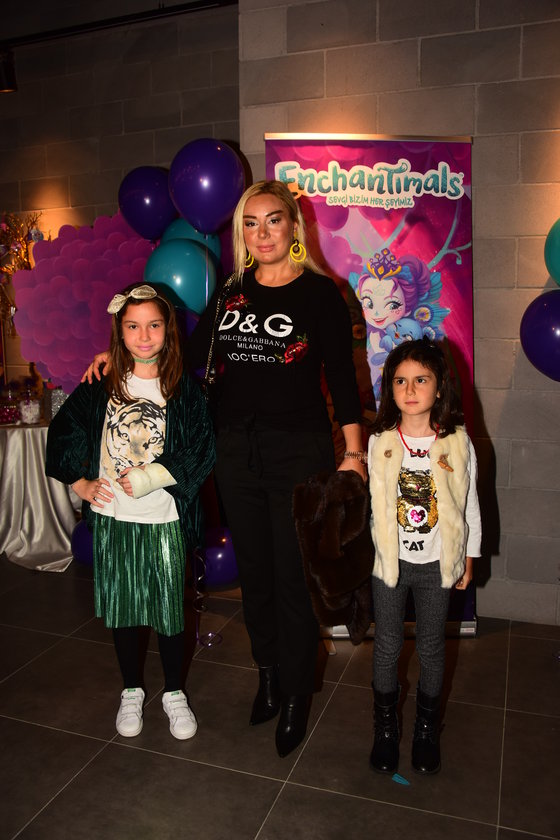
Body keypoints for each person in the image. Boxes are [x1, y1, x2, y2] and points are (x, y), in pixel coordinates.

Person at [85, 180, 367, 758]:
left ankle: (296, 692)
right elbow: (187, 357)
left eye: (273, 220)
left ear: (294, 227)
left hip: (298, 451)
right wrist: (122, 356)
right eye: (250, 223)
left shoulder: (321, 294)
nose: (262, 233)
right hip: (234, 450)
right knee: (256, 573)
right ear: (241, 232)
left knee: (292, 578)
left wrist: (354, 454)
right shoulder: (231, 293)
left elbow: (342, 377)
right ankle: (268, 673)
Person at [47, 283, 215, 741]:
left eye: (153, 325)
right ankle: (132, 689)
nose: (143, 336)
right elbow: (63, 432)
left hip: (165, 520)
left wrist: (149, 478)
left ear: (168, 330)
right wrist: (79, 482)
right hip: (116, 519)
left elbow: (201, 448)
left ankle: (174, 692)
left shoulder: (184, 388)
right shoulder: (101, 383)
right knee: (124, 611)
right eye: (133, 326)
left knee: (170, 612)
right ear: (119, 331)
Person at [367, 337, 481, 775]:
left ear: (439, 386)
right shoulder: (380, 441)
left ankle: (426, 730)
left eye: (421, 379)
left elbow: (470, 506)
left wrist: (469, 556)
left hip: (437, 564)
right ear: (390, 388)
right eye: (400, 381)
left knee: (432, 646)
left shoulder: (457, 442)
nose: (410, 389)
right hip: (389, 565)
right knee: (387, 646)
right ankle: (385, 729)